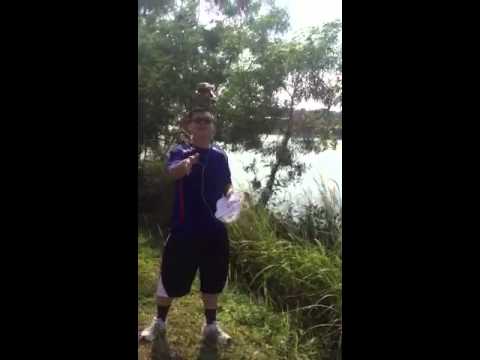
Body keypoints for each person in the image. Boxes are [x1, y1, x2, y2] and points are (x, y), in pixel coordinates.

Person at [140, 84, 233, 349]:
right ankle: (159, 323)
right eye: (198, 121)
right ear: (189, 126)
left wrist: (232, 194)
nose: (203, 124)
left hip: (215, 231)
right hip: (184, 229)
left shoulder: (220, 156)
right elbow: (172, 174)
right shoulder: (179, 152)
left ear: (213, 128)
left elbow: (227, 183)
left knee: (213, 279)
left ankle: (211, 327)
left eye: (207, 121)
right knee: (169, 276)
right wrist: (187, 164)